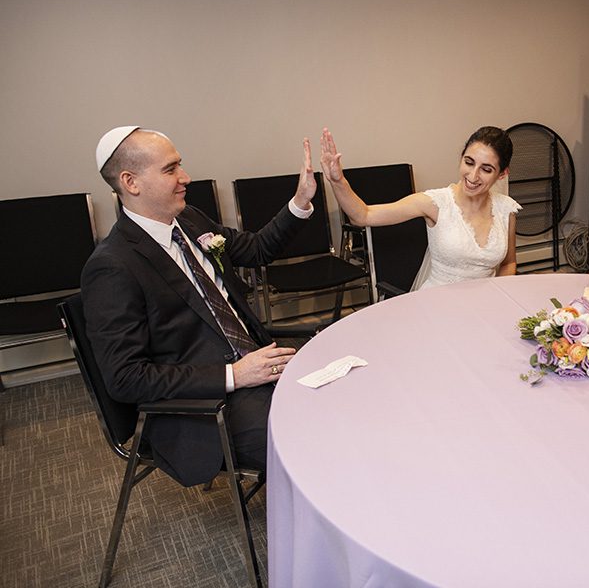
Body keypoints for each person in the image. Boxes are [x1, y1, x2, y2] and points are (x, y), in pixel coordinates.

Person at [82, 126, 316, 487]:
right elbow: (126, 379)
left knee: (342, 403)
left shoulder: (190, 220)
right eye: (170, 169)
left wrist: (299, 202)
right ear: (131, 182)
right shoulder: (113, 266)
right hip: (206, 406)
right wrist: (234, 375)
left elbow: (255, 250)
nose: (185, 178)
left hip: (257, 362)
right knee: (310, 441)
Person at [320, 126, 522, 289]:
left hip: (485, 302)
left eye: (486, 169)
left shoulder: (506, 209)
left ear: (502, 174)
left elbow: (508, 263)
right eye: (469, 162)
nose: (473, 175)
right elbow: (363, 215)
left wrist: (497, 297)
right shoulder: (435, 203)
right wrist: (338, 181)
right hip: (439, 302)